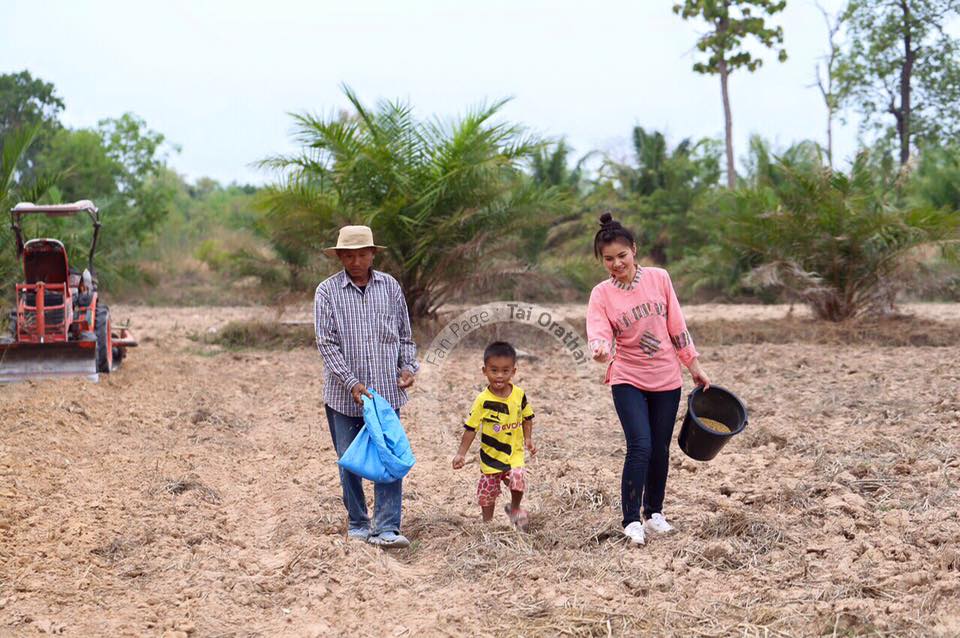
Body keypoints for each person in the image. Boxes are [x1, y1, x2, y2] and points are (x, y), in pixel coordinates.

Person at [586, 212, 711, 546]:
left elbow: (677, 327)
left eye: (622, 256)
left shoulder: (660, 278)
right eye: (608, 259)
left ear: (634, 250)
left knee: (659, 448)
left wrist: (694, 367)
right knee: (640, 445)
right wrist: (600, 348)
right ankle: (631, 520)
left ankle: (654, 513)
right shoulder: (601, 294)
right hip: (627, 376)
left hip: (667, 378)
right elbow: (598, 331)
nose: (616, 264)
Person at [314, 224, 419, 548]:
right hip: (343, 397)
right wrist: (351, 383)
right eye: (348, 255)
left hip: (386, 393)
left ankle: (387, 527)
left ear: (372, 254)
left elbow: (404, 334)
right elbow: (327, 344)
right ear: (340, 257)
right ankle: (358, 522)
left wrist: (408, 367)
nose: (355, 260)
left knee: (388, 457)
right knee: (350, 459)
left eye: (361, 254)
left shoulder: (389, 287)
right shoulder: (327, 292)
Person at [452, 341, 536, 530]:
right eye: (494, 370)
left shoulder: (519, 395)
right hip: (490, 457)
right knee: (487, 492)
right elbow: (471, 429)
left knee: (517, 477)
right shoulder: (483, 400)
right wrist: (461, 453)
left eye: (505, 371)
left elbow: (527, 417)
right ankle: (487, 525)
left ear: (513, 371)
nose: (499, 376)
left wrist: (528, 439)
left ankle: (515, 509)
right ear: (484, 370)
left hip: (513, 453)